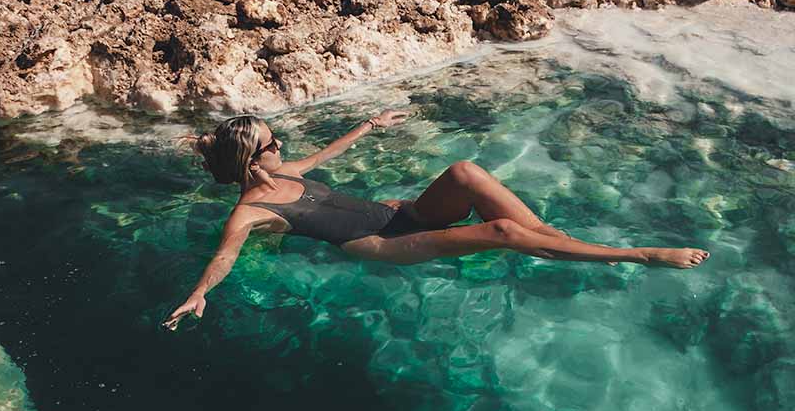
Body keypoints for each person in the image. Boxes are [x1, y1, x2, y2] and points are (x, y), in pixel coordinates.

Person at [163, 111, 709, 330]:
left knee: (466, 172)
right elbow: (224, 254)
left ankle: (555, 242)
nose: (283, 143)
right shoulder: (251, 212)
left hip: (399, 214)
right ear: (254, 162)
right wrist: (198, 293)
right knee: (502, 234)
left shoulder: (286, 174)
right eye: (272, 142)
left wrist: (369, 125)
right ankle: (639, 255)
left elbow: (324, 156)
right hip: (382, 244)